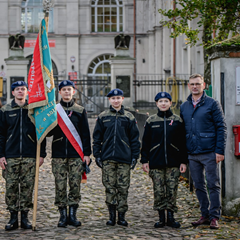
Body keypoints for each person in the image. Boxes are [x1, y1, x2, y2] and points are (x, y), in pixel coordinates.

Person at [0, 81, 45, 231]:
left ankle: (24, 217)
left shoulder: (34, 110)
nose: (20, 92)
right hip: (11, 156)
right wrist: (0, 155)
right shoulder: (5, 110)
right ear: (13, 93)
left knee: (27, 188)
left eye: (23, 89)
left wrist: (41, 154)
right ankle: (12, 218)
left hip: (30, 155)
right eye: (17, 89)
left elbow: (42, 132)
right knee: (11, 188)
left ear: (27, 92)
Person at [180, 73, 227, 230]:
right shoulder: (184, 106)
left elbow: (221, 127)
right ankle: (204, 215)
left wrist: (219, 151)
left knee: (213, 184)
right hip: (192, 153)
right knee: (199, 185)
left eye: (198, 84)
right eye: (192, 84)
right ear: (188, 86)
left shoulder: (212, 104)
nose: (195, 86)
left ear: (204, 85)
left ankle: (214, 216)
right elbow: (181, 131)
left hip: (209, 152)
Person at [47, 80, 91, 228]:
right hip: (58, 153)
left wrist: (87, 153)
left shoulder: (80, 110)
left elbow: (85, 133)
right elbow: (48, 133)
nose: (66, 92)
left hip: (75, 154)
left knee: (74, 185)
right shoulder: (54, 110)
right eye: (64, 89)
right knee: (60, 185)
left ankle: (72, 214)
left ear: (74, 91)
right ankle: (62, 215)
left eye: (69, 89)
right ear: (59, 92)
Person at [93, 88, 140, 226]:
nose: (116, 100)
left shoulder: (129, 117)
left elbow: (134, 139)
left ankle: (122, 216)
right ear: (109, 100)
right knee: (110, 187)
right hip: (108, 158)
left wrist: (135, 156)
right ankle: (111, 215)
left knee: (123, 187)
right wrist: (97, 155)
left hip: (124, 158)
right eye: (113, 98)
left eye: (118, 98)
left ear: (122, 99)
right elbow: (97, 138)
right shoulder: (103, 116)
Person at [140, 92, 188, 228]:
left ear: (170, 103)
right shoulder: (151, 120)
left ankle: (171, 217)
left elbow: (182, 142)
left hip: (174, 163)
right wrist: (145, 160)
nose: (163, 103)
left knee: (172, 190)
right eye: (160, 101)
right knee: (159, 191)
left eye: (166, 101)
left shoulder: (177, 120)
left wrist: (183, 161)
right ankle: (161, 217)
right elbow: (146, 142)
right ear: (156, 104)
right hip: (156, 163)